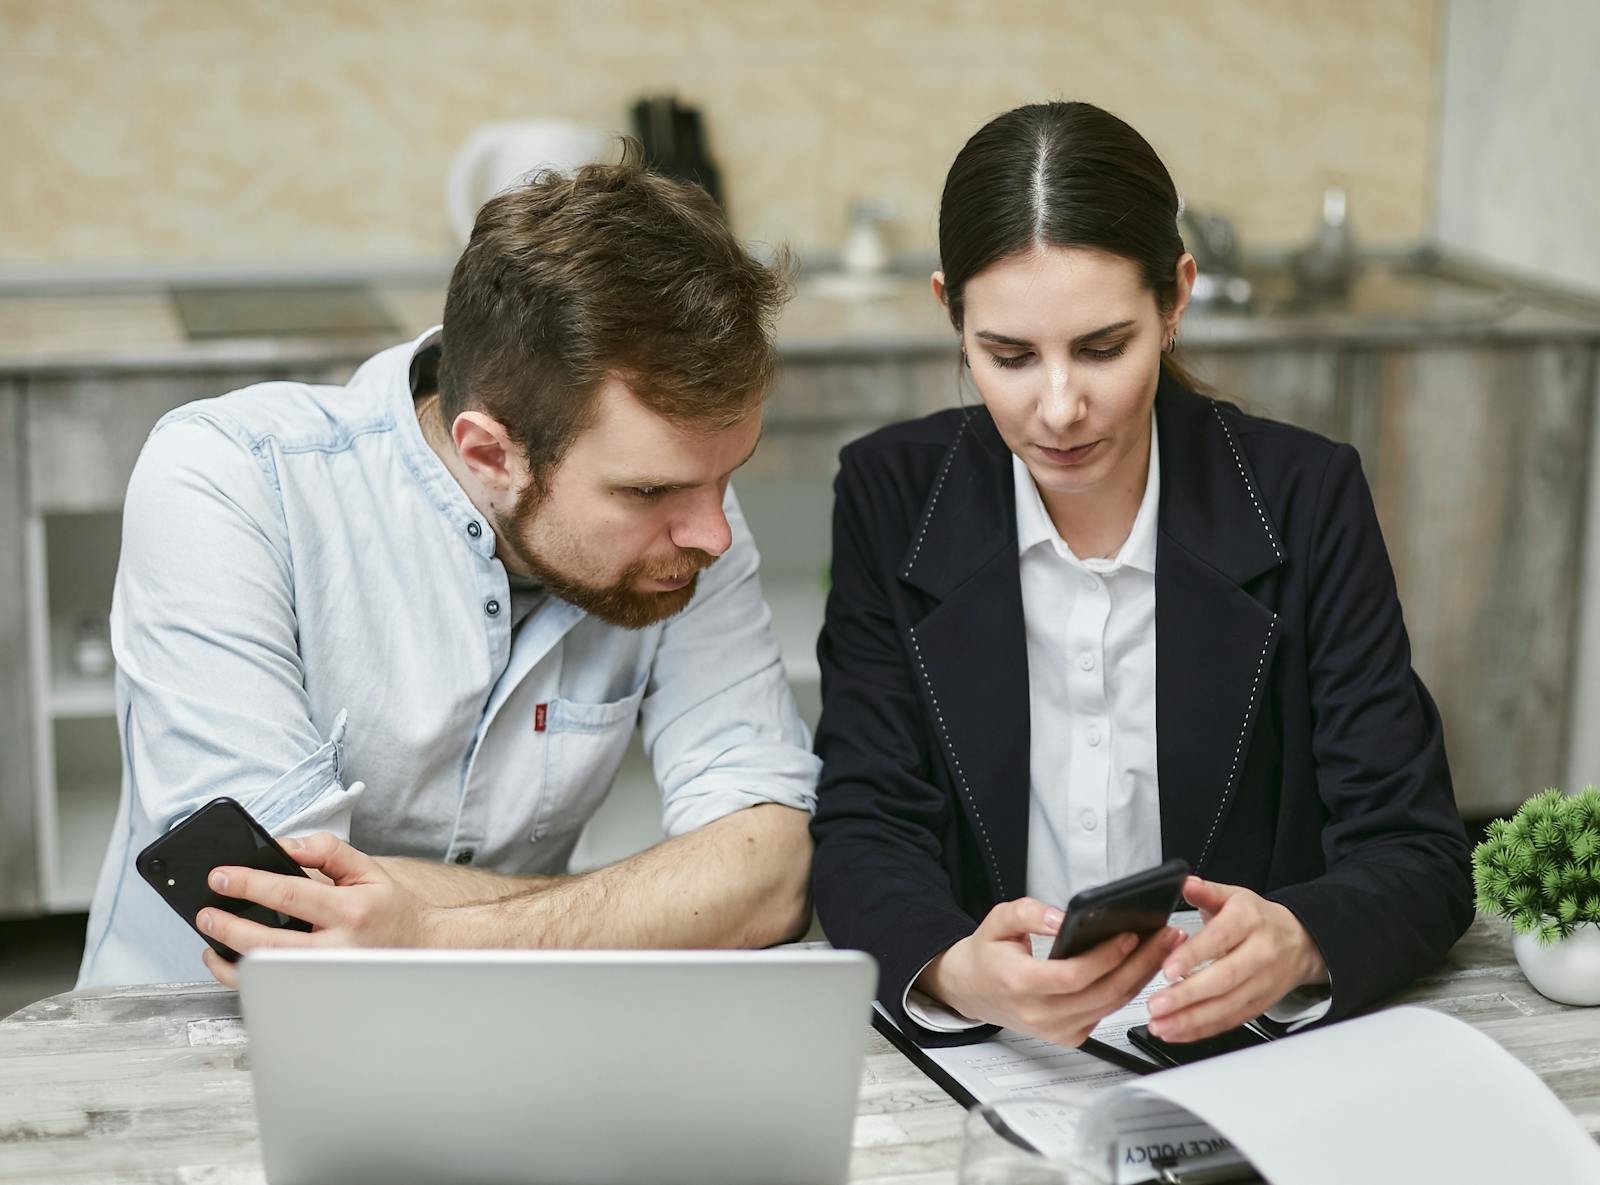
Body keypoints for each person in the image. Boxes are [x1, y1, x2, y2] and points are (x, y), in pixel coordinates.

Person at [809, 101, 1473, 1048]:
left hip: (1250, 1053)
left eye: (1101, 347)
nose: (1059, 407)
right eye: (1007, 356)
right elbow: (864, 824)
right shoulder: (889, 495)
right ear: (949, 314)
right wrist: (955, 969)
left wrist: (1299, 940)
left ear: (1176, 300)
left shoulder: (1306, 495)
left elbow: (1419, 848)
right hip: (1001, 1059)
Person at [78, 150, 820, 988]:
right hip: (191, 1039)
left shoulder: (689, 522)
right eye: (648, 489)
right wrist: (650, 901)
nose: (714, 532)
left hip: (507, 1030)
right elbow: (281, 909)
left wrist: (430, 931)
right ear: (489, 452)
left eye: (728, 475)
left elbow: (774, 872)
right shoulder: (230, 477)